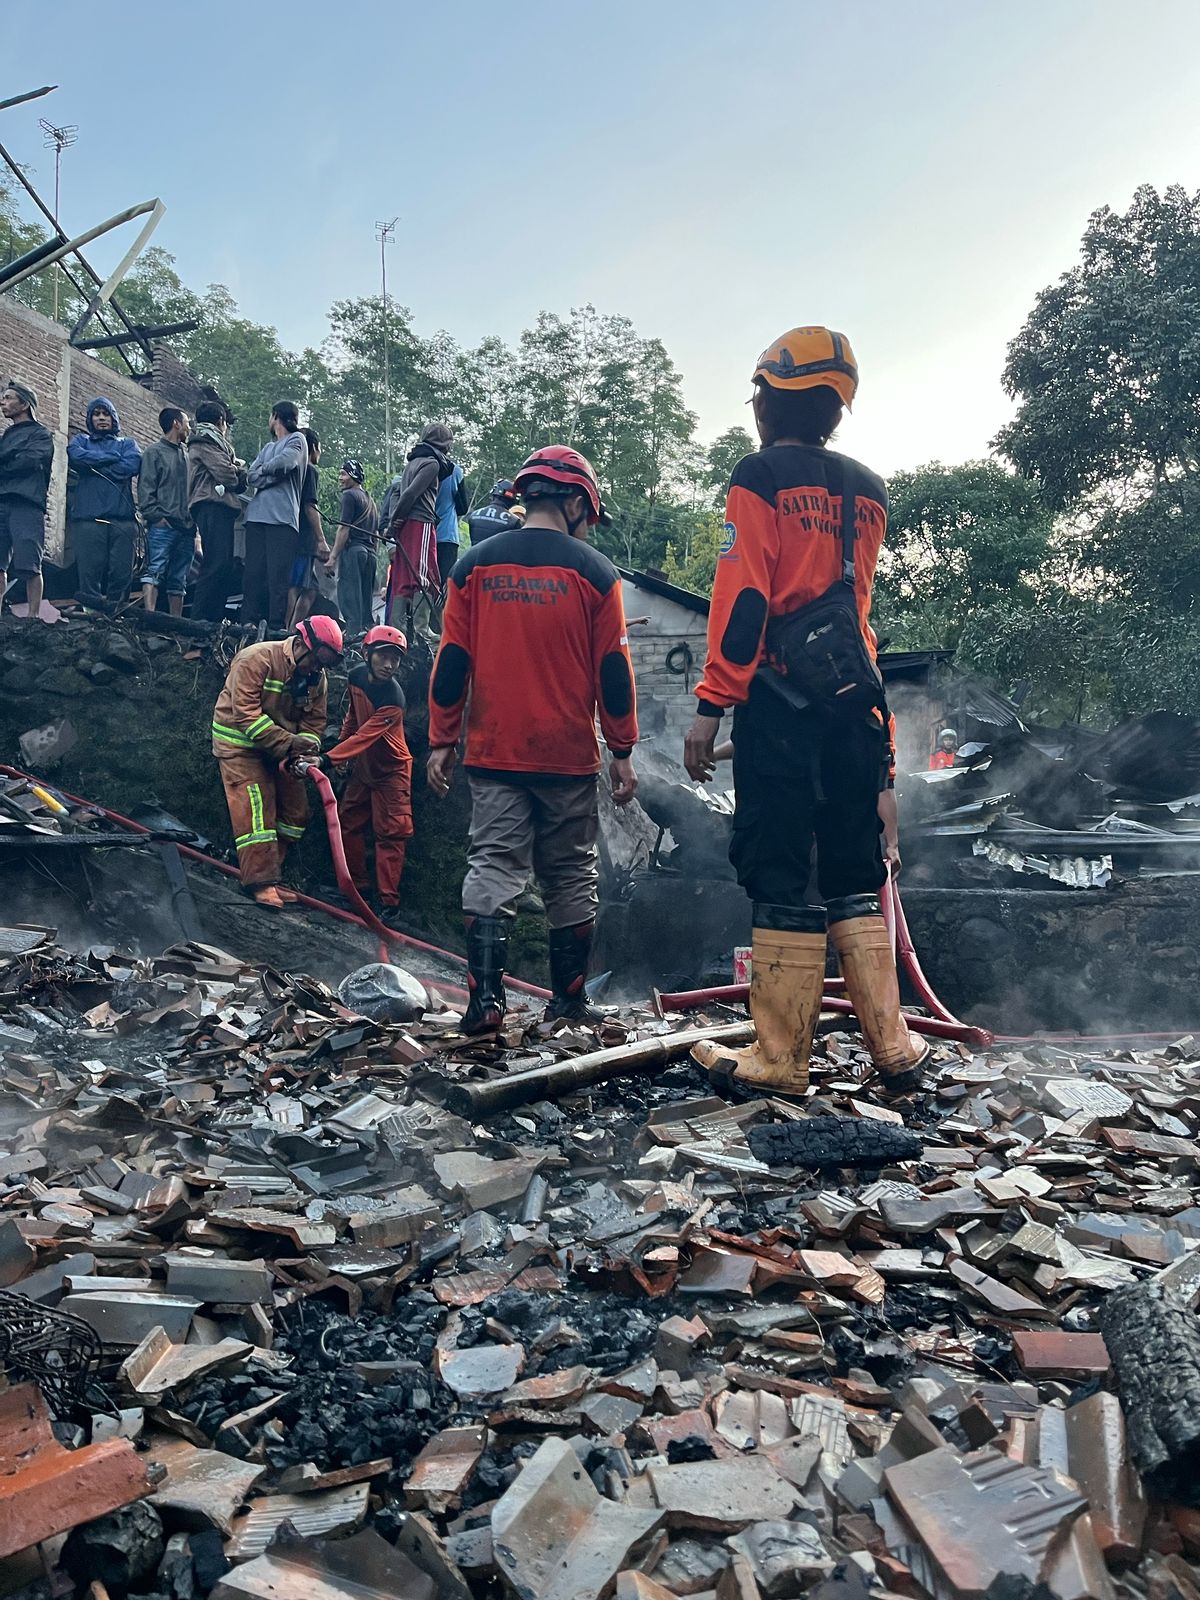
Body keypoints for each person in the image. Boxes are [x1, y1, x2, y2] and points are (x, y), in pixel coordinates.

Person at [683, 326, 927, 1098]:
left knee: (780, 869)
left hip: (781, 707)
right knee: (855, 869)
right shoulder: (868, 492)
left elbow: (746, 598)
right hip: (855, 706)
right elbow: (855, 619)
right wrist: (885, 763)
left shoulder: (759, 476)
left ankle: (781, 1059)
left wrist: (711, 706)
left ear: (770, 397)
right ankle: (892, 1046)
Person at [427, 444, 639, 1034]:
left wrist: (442, 739)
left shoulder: (473, 566)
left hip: (494, 751)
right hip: (568, 756)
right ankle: (568, 1004)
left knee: (494, 865)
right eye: (588, 514)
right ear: (574, 501)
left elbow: (452, 662)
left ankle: (485, 1004)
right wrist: (622, 751)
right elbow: (614, 673)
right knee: (570, 874)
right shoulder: (597, 574)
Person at [211, 615, 343, 909]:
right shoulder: (256, 659)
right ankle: (259, 882)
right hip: (240, 747)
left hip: (281, 751)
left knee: (296, 813)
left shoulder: (316, 679)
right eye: (315, 661)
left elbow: (315, 720)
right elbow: (246, 716)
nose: (317, 669)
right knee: (257, 807)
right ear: (299, 645)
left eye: (323, 665)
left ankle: (273, 873)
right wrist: (289, 743)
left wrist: (307, 749)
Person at [327, 624, 412, 924]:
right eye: (384, 657)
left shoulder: (393, 697)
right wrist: (340, 752)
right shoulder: (356, 677)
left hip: (392, 773)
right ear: (368, 654)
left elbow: (366, 736)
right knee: (348, 821)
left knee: (390, 835)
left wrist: (328, 758)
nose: (390, 665)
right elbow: (353, 719)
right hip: (364, 767)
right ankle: (356, 890)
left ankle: (389, 905)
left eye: (396, 659)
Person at [67, 397, 141, 611]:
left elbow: (129, 466)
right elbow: (76, 457)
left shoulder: (127, 444)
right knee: (89, 571)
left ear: (113, 418)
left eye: (105, 414)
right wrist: (112, 457)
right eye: (96, 414)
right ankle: (92, 615)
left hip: (122, 519)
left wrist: (94, 464)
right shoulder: (81, 440)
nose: (101, 418)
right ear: (90, 418)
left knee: (121, 572)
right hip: (88, 518)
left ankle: (117, 616)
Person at [380, 422, 455, 632]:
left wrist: (396, 523)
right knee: (425, 574)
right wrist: (394, 523)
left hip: (407, 524)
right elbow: (411, 494)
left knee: (405, 575)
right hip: (420, 523)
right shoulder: (432, 463)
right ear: (443, 444)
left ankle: (398, 628)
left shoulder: (412, 463)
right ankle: (421, 630)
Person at [242, 401, 308, 628]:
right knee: (253, 573)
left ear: (276, 417)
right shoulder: (268, 448)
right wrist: (273, 475)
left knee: (277, 577)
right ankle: (249, 622)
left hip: (282, 519)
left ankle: (275, 625)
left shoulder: (297, 440)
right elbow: (251, 475)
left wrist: (265, 472)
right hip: (256, 517)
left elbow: (287, 463)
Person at [0, 380, 54, 622]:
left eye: (9, 397)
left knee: (30, 562)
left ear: (24, 404)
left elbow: (28, 462)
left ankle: (32, 616)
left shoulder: (41, 434)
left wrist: (5, 460)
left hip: (27, 504)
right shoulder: (6, 437)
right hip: (2, 501)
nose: (3, 402)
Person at [189, 401, 246, 621]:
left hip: (216, 506)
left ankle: (213, 616)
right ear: (221, 421)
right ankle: (201, 617)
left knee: (221, 563)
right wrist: (239, 472)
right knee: (215, 563)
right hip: (212, 505)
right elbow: (227, 475)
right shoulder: (206, 442)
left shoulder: (206, 442)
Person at [139, 408, 195, 616]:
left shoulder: (189, 457)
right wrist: (157, 517)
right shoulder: (154, 452)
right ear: (176, 423)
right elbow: (146, 488)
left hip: (187, 528)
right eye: (187, 422)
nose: (189, 428)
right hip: (163, 525)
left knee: (179, 578)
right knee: (154, 570)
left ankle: (175, 622)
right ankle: (150, 616)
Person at [327, 459, 379, 638]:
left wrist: (333, 557)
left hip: (354, 551)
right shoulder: (370, 500)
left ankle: (352, 637)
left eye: (344, 474)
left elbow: (344, 528)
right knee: (365, 602)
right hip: (371, 555)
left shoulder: (349, 495)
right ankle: (367, 636)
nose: (340, 478)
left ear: (354, 476)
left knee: (350, 599)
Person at [287, 429, 332, 628]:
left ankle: (294, 629)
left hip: (291, 533)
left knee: (311, 589)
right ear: (312, 447)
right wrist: (321, 539)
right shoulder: (309, 469)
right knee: (295, 586)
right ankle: (285, 632)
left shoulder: (293, 468)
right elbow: (310, 506)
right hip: (303, 538)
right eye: (319, 448)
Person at [433, 451, 468, 588]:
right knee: (444, 584)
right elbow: (463, 507)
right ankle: (440, 610)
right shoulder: (455, 470)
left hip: (423, 533)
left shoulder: (418, 466)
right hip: (446, 535)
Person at [466, 478, 521, 544]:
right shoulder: (514, 521)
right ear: (513, 500)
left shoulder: (473, 515)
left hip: (474, 554)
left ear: (493, 494)